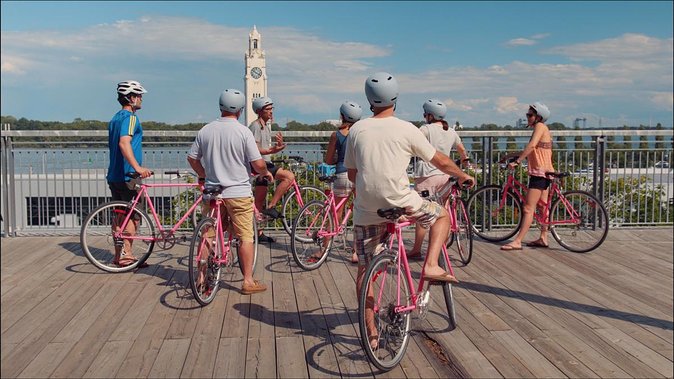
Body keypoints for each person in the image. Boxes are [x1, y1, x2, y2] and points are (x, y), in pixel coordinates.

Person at [344, 72, 474, 348]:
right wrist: (461, 175)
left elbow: (353, 175)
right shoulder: (407, 129)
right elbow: (438, 159)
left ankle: (370, 330)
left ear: (369, 100)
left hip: (367, 207)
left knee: (365, 270)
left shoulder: (357, 130)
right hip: (401, 200)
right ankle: (430, 265)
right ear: (396, 98)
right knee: (440, 216)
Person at [187, 88, 273, 295]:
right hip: (238, 193)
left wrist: (203, 175)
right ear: (241, 110)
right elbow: (257, 163)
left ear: (220, 106)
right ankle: (247, 281)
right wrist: (265, 173)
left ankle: (200, 276)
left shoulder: (205, 130)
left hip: (213, 192)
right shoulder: (243, 132)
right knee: (246, 236)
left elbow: (192, 158)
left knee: (207, 235)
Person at [409, 99, 471, 260]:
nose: (424, 117)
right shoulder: (450, 131)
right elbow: (461, 149)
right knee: (443, 211)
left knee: (423, 213)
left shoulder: (426, 129)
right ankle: (439, 248)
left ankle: (416, 249)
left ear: (430, 115)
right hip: (445, 175)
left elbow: (411, 143)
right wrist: (465, 161)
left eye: (425, 114)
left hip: (426, 175)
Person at [106, 80, 152, 268]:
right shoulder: (131, 118)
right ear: (131, 98)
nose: (141, 99)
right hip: (128, 176)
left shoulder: (114, 118)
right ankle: (127, 255)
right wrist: (138, 168)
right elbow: (124, 143)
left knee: (119, 215)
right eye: (139, 95)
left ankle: (119, 256)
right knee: (132, 216)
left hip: (114, 174)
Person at [500, 102, 555, 251]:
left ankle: (517, 241)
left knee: (527, 208)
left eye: (530, 115)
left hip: (539, 173)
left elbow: (531, 146)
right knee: (543, 207)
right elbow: (533, 150)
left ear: (538, 117)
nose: (528, 117)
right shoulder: (543, 128)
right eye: (527, 115)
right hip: (546, 171)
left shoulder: (539, 127)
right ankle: (544, 237)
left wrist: (517, 162)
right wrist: (509, 156)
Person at [248, 96, 295, 243]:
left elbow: (266, 150)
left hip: (264, 164)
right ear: (259, 111)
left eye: (271, 109)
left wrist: (276, 147)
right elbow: (254, 149)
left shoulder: (265, 127)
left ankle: (257, 233)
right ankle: (272, 205)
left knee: (258, 202)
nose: (271, 112)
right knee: (289, 177)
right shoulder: (255, 126)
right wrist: (272, 150)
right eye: (267, 109)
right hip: (260, 166)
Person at [322, 100, 362, 264]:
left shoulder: (336, 135)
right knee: (359, 213)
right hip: (359, 176)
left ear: (342, 115)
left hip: (342, 175)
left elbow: (329, 160)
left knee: (335, 213)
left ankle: (323, 249)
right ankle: (356, 252)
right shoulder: (361, 133)